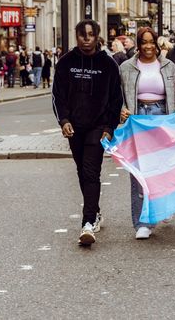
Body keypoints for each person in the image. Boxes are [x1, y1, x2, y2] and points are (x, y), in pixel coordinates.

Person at [52, 20, 123, 246]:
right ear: (76, 36)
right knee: (82, 172)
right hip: (74, 127)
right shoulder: (65, 63)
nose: (86, 39)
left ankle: (88, 223)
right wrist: (63, 120)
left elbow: (115, 99)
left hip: (98, 127)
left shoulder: (108, 64)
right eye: (82, 35)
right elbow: (58, 96)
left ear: (97, 37)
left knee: (91, 171)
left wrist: (109, 127)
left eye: (90, 35)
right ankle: (96, 211)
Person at [120, 27, 175, 239]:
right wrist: (122, 109)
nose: (148, 46)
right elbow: (119, 95)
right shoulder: (127, 67)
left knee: (161, 168)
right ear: (138, 44)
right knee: (138, 171)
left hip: (161, 116)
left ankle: (163, 208)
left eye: (151, 42)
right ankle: (142, 223)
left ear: (157, 43)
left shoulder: (168, 66)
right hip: (137, 118)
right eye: (143, 42)